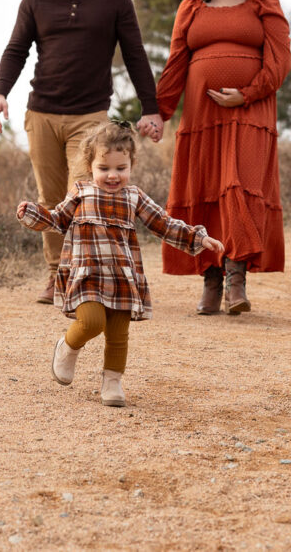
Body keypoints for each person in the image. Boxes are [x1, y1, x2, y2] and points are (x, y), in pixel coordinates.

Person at [0, 0, 164, 304]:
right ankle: (56, 275)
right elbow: (16, 50)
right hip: (42, 115)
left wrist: (151, 109)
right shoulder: (36, 0)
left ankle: (82, 274)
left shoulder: (115, 0)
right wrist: (0, 92)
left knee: (84, 197)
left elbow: (135, 55)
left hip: (90, 117)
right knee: (51, 200)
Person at [16, 121, 223, 407]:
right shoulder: (81, 193)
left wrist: (198, 238)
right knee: (91, 322)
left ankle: (112, 381)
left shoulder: (134, 196)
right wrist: (32, 214)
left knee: (117, 334)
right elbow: (56, 220)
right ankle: (68, 346)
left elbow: (164, 224)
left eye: (120, 168)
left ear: (131, 164)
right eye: (104, 169)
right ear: (90, 166)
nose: (113, 176)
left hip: (122, 278)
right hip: (87, 274)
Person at [154, 0, 291, 316]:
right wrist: (159, 113)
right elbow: (177, 63)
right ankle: (211, 278)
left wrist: (247, 94)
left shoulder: (263, 0)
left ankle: (235, 276)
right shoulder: (191, 6)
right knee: (208, 190)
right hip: (202, 115)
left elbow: (281, 60)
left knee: (240, 185)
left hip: (251, 111)